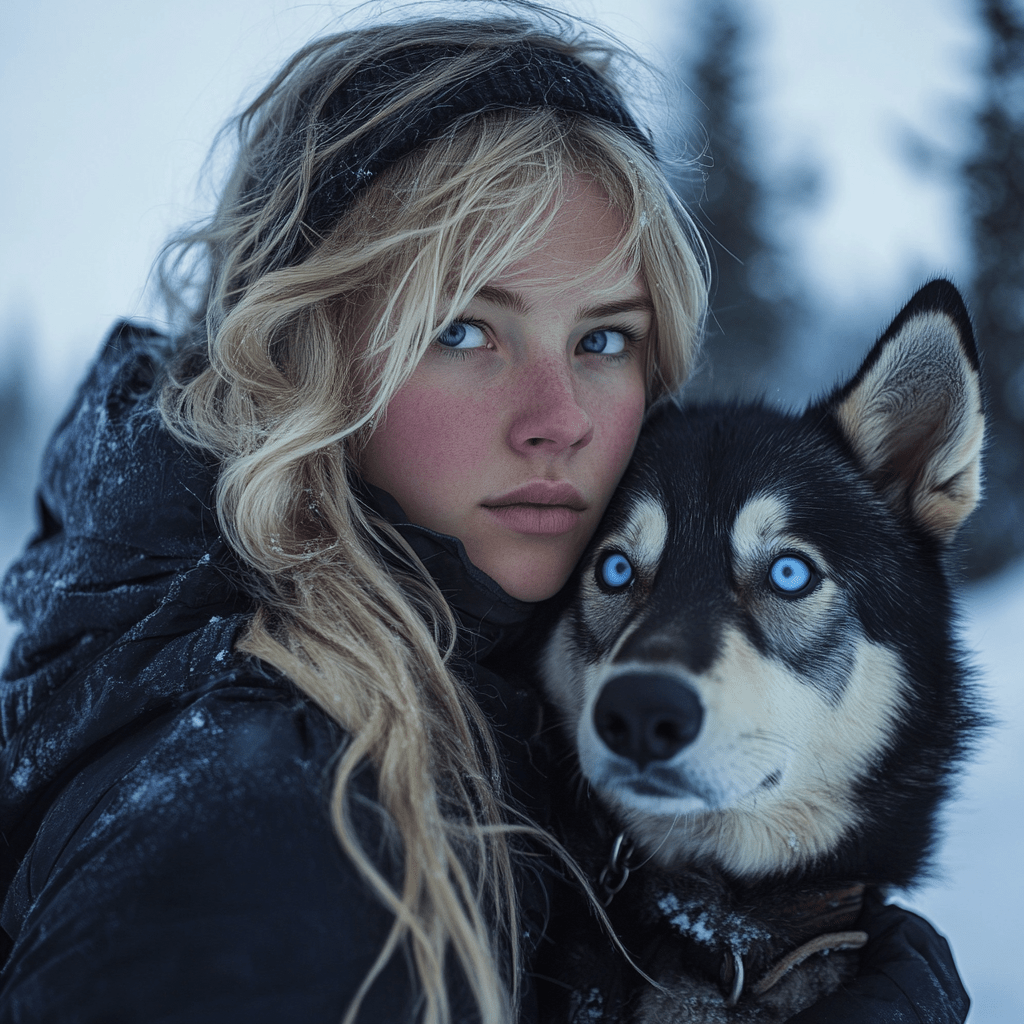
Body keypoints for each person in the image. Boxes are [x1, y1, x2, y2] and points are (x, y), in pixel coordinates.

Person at [0, 6, 969, 1022]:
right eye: (464, 329)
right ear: (301, 357)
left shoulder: (477, 722)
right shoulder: (274, 824)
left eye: (602, 340)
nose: (558, 422)